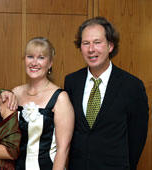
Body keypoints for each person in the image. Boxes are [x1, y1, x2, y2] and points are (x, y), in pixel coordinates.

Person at [64, 16, 149, 170]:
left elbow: (137, 137)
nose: (91, 49)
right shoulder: (71, 82)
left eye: (97, 42)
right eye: (85, 43)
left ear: (110, 46)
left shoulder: (132, 86)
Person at [13, 37, 75, 170]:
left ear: (50, 63)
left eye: (41, 58)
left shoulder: (60, 98)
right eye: (30, 56)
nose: (34, 63)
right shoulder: (15, 93)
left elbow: (63, 149)